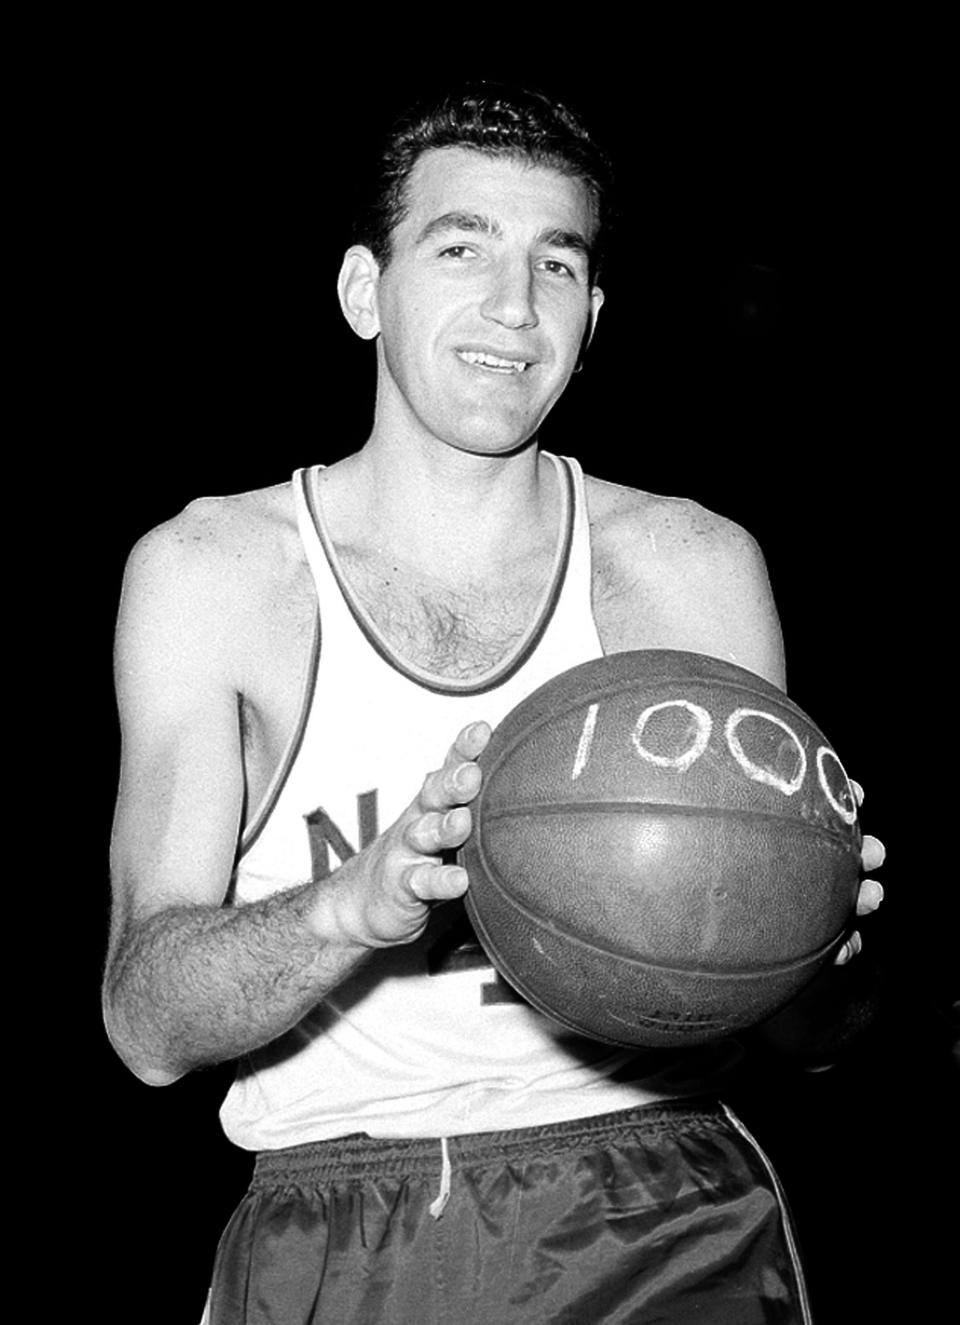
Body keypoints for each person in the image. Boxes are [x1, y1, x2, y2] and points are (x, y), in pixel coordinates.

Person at [103, 81, 885, 1324]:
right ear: (366, 291)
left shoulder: (688, 568)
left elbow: (812, 1034)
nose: (514, 309)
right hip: (334, 1213)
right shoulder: (217, 577)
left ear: (595, 315)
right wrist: (352, 905)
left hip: (657, 1209)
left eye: (557, 266)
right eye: (461, 248)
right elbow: (146, 1021)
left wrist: (818, 947)